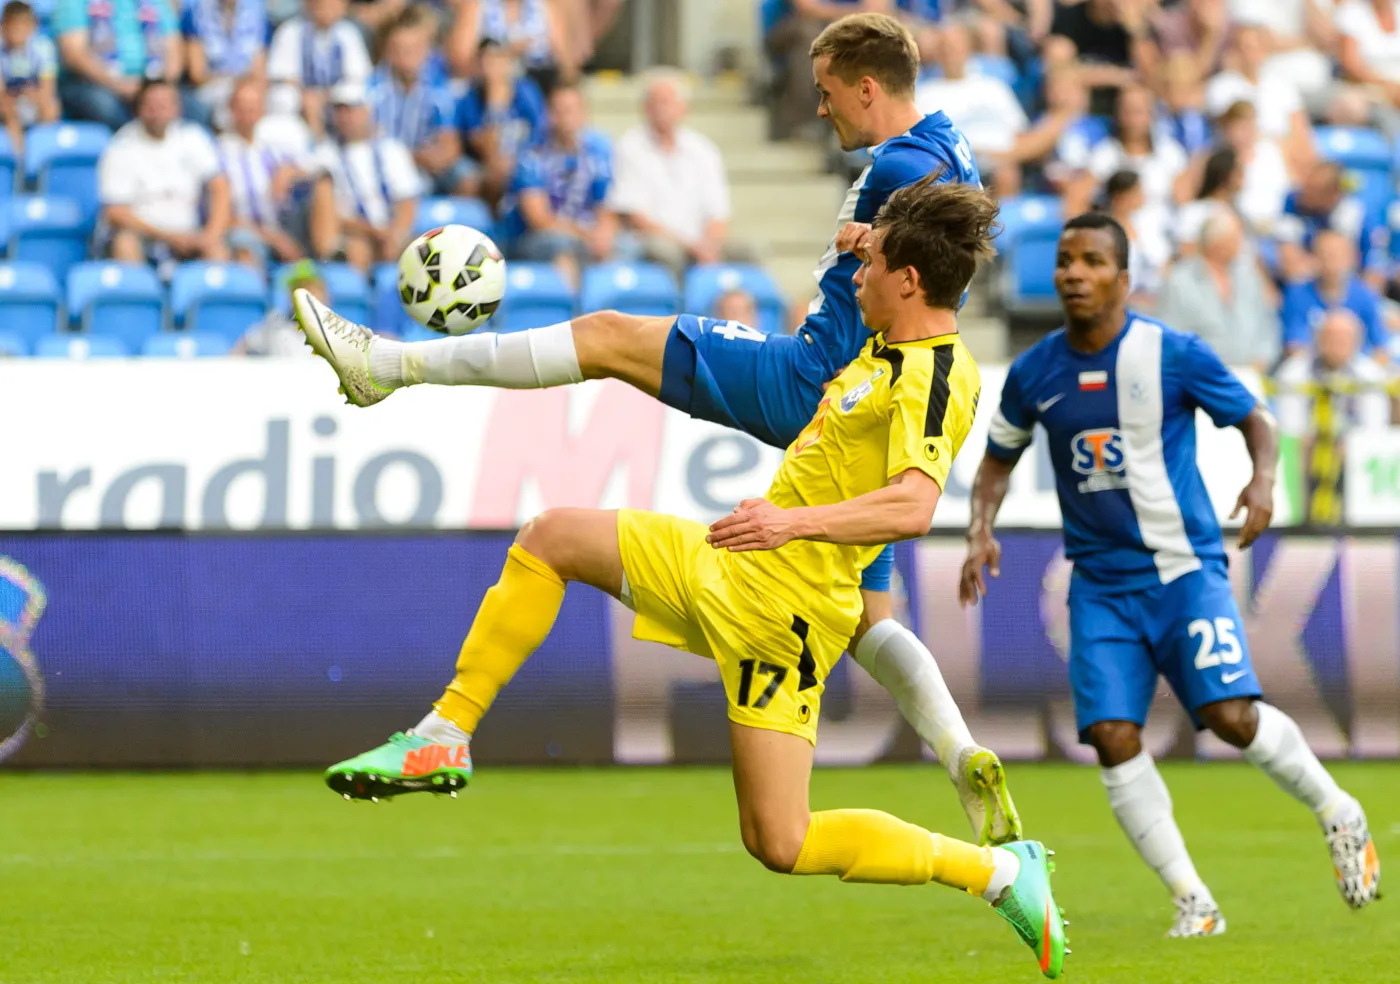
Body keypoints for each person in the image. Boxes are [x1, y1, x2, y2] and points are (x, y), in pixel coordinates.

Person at [292, 11, 1024, 850]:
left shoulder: (903, 160)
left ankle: (389, 364)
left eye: (827, 96)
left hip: (812, 379)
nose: (822, 113)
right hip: (862, 410)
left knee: (605, 336)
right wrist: (871, 239)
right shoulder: (949, 146)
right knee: (868, 615)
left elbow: (925, 251)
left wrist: (875, 235)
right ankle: (962, 751)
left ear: (868, 86)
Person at [315, 177, 1070, 981]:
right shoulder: (889, 344)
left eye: (873, 267)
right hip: (732, 562)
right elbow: (882, 275)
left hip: (788, 617)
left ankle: (998, 873)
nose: (856, 279)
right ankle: (443, 736)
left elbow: (914, 507)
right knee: (550, 538)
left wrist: (792, 522)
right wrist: (870, 238)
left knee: (781, 841)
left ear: (910, 282)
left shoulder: (935, 373)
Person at [959, 211, 1380, 937]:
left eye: (1091, 261)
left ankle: (1338, 810)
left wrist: (1263, 481)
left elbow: (1257, 419)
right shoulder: (1034, 373)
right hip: (1098, 585)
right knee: (1113, 736)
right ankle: (1194, 900)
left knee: (1230, 718)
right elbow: (997, 458)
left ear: (1123, 279)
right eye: (1065, 260)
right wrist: (979, 529)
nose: (1073, 273)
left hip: (1185, 571)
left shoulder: (1171, 353)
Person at [608, 68, 748, 276]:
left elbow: (718, 214)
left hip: (701, 242)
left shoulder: (704, 150)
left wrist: (708, 246)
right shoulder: (630, 147)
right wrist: (690, 245)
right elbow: (636, 217)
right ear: (645, 108)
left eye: (669, 102)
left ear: (684, 108)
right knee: (666, 253)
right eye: (658, 102)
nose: (663, 109)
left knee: (748, 253)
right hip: (653, 242)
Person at [501, 80, 626, 286]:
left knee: (625, 247)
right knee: (561, 246)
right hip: (533, 240)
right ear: (550, 116)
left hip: (585, 235)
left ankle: (611, 309)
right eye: (560, 111)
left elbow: (606, 207)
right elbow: (539, 220)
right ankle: (573, 313)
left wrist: (604, 234)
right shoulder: (532, 155)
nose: (566, 117)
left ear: (584, 114)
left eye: (572, 110)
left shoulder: (599, 150)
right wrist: (584, 234)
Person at [1274, 309, 1392, 524]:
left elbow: (1376, 428)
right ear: (1318, 338)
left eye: (1345, 338)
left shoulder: (1371, 374)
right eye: (1331, 337)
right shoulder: (1294, 372)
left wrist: (1352, 446)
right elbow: (1289, 426)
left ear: (1357, 341)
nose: (1337, 344)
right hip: (1308, 452)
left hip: (1353, 457)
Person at [96, 78, 230, 266]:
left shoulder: (193, 137)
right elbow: (116, 212)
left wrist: (211, 234)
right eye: (150, 106)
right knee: (125, 243)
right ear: (138, 109)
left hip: (190, 234)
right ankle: (138, 294)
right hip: (145, 237)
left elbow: (220, 187)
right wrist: (168, 237)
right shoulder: (121, 147)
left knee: (216, 250)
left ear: (177, 108)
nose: (157, 112)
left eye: (163, 105)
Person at [308, 81, 420, 270]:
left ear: (367, 111)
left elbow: (407, 203)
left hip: (391, 233)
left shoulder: (392, 150)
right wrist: (373, 231)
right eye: (339, 111)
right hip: (355, 233)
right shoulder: (325, 155)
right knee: (356, 250)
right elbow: (329, 213)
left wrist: (395, 234)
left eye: (351, 109)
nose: (345, 117)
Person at [913, 17, 1027, 195]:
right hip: (949, 169)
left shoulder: (994, 87)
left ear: (969, 49)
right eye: (944, 46)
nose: (949, 52)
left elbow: (1020, 133)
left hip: (998, 164)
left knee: (1007, 173)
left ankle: (1006, 220)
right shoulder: (924, 94)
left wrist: (1001, 157)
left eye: (955, 46)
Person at [1156, 209, 1280, 368]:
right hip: (1200, 377)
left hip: (1252, 375)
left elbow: (1268, 323)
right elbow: (1170, 335)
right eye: (1236, 238)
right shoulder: (1179, 280)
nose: (1241, 244)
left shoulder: (1249, 276)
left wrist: (1263, 358)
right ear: (1217, 244)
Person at [218, 75, 312, 267]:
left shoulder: (271, 148)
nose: (248, 113)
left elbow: (312, 167)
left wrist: (290, 171)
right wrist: (270, 237)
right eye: (242, 107)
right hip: (243, 231)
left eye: (253, 106)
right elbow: (223, 214)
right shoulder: (219, 152)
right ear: (231, 110)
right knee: (245, 251)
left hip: (280, 226)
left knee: (322, 188)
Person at [368, 5, 459, 192]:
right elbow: (371, 146)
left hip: (428, 168)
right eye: (401, 49)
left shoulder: (437, 86)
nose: (408, 56)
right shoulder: (372, 90)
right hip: (384, 169)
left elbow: (450, 140)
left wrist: (441, 157)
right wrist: (415, 157)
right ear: (388, 51)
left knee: (466, 177)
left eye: (415, 49)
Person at [53, 0, 182, 130]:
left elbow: (174, 55)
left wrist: (159, 89)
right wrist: (120, 85)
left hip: (150, 83)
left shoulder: (158, 3)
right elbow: (75, 55)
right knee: (105, 106)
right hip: (95, 82)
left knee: (191, 106)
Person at [453, 36, 547, 202]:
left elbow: (541, 135)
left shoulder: (527, 91)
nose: (493, 67)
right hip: (485, 166)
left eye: (498, 59)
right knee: (480, 178)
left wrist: (518, 160)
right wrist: (495, 106)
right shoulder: (469, 99)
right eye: (487, 60)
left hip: (525, 159)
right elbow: (486, 151)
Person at [265, 0, 372, 138]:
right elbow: (281, 78)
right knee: (284, 97)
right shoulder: (290, 31)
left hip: (335, 101)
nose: (326, 10)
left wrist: (323, 97)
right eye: (321, 4)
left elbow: (357, 78)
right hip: (302, 100)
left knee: (356, 99)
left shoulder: (348, 33)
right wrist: (308, 97)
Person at [1281, 229, 1389, 359]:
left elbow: (1380, 347)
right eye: (1325, 255)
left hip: (1357, 366)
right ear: (1313, 258)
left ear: (1352, 258)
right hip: (1314, 367)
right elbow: (1294, 346)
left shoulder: (1365, 294)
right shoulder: (1297, 294)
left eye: (1338, 255)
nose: (1331, 263)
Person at [446, 0, 573, 95]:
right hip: (489, 89)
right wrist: (505, 54)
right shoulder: (479, 7)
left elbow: (565, 61)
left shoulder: (544, 7)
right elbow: (460, 62)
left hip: (539, 85)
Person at [181, 0, 268, 129]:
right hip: (211, 86)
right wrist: (230, 82)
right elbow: (197, 73)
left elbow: (259, 69)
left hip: (245, 85)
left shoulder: (257, 11)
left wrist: (242, 87)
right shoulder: (196, 12)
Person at [0, 0, 59, 153]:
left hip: (32, 98)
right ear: (3, 27)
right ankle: (19, 161)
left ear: (32, 27)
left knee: (51, 108)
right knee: (8, 109)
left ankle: (43, 156)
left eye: (20, 27)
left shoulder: (43, 49)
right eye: (11, 27)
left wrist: (30, 96)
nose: (15, 33)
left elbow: (47, 89)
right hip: (8, 101)